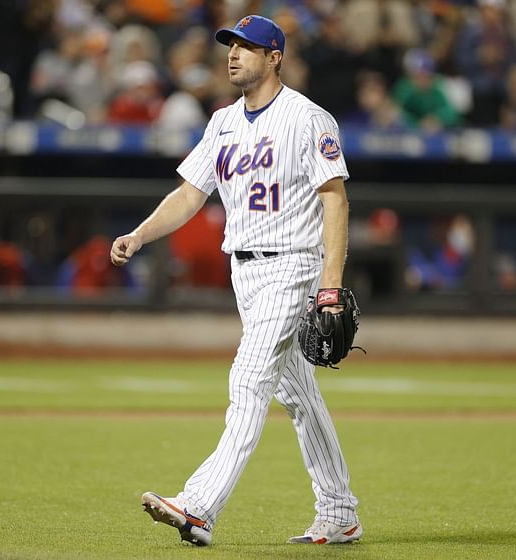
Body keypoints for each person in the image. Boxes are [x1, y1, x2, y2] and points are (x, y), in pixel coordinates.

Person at [109, 14, 361, 547]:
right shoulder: (222, 122)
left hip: (292, 264)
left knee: (248, 381)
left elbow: (335, 199)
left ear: (274, 57)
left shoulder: (307, 117)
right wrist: (139, 234)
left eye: (247, 46)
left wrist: (330, 286)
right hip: (243, 272)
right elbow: (189, 194)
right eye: (230, 44)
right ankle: (338, 510)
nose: (233, 53)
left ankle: (198, 506)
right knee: (297, 395)